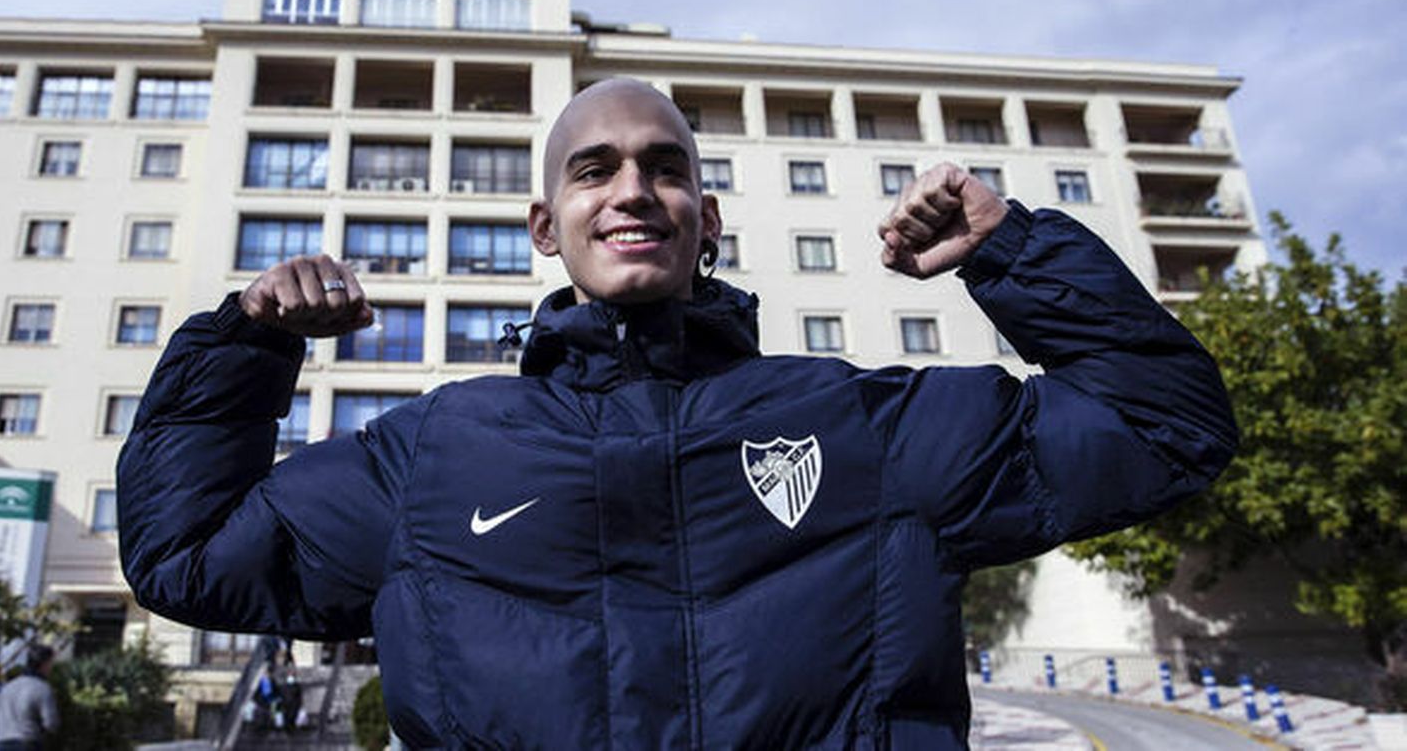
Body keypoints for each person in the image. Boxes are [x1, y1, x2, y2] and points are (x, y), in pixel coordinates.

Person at [118, 78, 1237, 748]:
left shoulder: (854, 428)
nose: (630, 189)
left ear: (705, 220)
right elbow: (188, 557)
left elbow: (1160, 426)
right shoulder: (434, 456)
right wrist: (245, 351)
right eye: (592, 170)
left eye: (662, 168)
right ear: (546, 227)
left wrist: (1009, 253)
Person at [0, 644, 59, 751]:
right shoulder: (43, 688)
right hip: (28, 743)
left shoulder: (7, 688)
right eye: (51, 663)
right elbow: (51, 723)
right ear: (44, 664)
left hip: (2, 743)